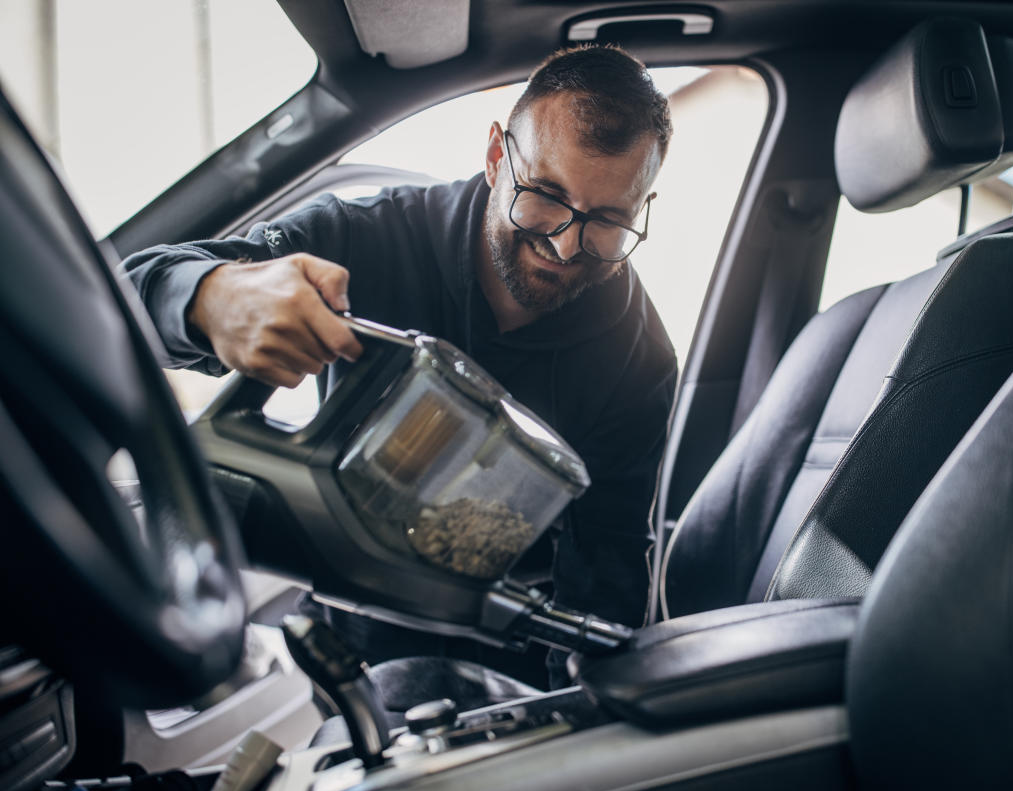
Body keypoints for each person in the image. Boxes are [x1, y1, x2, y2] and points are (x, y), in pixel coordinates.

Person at [124, 45, 677, 685]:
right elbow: (127, 296)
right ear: (498, 155)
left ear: (641, 207)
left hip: (509, 651)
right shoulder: (366, 237)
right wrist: (209, 297)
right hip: (348, 632)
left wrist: (576, 715)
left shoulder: (640, 358)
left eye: (607, 221)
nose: (563, 242)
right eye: (545, 195)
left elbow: (605, 570)